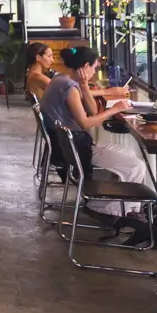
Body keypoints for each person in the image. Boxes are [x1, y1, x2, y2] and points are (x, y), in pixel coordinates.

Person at [39, 46, 149, 217]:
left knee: (129, 153)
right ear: (84, 67)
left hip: (69, 145)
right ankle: (114, 212)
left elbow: (92, 111)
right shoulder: (68, 87)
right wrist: (114, 110)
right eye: (94, 67)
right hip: (75, 148)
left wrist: (84, 85)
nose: (95, 71)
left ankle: (128, 208)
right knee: (137, 166)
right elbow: (86, 123)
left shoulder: (62, 80)